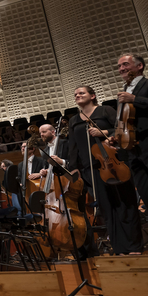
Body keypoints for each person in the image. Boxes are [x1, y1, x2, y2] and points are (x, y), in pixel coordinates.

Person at [66, 85, 142, 255]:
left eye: (82, 93)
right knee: (107, 209)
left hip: (114, 165)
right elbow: (73, 147)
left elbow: (122, 129)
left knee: (126, 204)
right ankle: (120, 248)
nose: (78, 95)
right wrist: (74, 168)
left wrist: (104, 132)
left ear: (92, 95)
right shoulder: (74, 120)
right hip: (91, 170)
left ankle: (134, 246)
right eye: (76, 94)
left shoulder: (105, 111)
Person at [114, 54, 148, 208]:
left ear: (139, 66)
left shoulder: (146, 85)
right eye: (119, 66)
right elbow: (122, 119)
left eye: (125, 64)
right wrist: (116, 135)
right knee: (143, 189)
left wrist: (134, 99)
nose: (121, 69)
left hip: (147, 142)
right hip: (132, 148)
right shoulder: (125, 89)